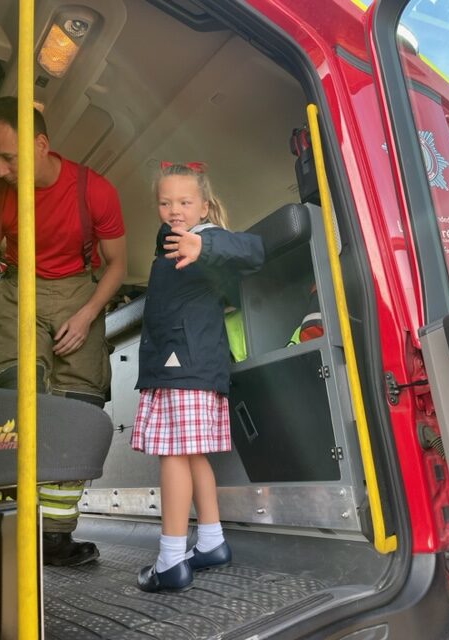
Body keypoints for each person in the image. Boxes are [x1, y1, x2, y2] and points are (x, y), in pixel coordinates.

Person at [0, 96, 127, 566]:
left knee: (80, 413)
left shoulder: (95, 190)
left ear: (41, 144)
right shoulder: (0, 191)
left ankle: (54, 536)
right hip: (17, 290)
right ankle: (10, 524)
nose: (0, 169)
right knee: (14, 403)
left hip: (79, 293)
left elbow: (118, 265)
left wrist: (89, 313)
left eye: (8, 157)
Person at [133, 161, 264, 592]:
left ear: (204, 207)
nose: (175, 210)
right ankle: (211, 542)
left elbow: (253, 249)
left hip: (182, 365)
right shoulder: (169, 245)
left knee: (173, 456)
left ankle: (171, 559)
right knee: (193, 456)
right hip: (188, 364)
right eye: (165, 202)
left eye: (185, 202)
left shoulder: (204, 239)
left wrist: (202, 248)